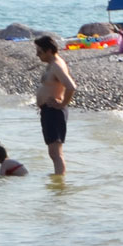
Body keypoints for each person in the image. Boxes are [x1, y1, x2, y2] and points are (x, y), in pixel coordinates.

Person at [33, 34, 76, 177]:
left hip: (54, 112)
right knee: (54, 152)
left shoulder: (57, 65)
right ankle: (58, 180)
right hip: (49, 111)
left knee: (55, 153)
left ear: (49, 51)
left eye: (40, 52)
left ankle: (60, 183)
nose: (37, 55)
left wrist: (62, 104)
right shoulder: (53, 64)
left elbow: (71, 86)